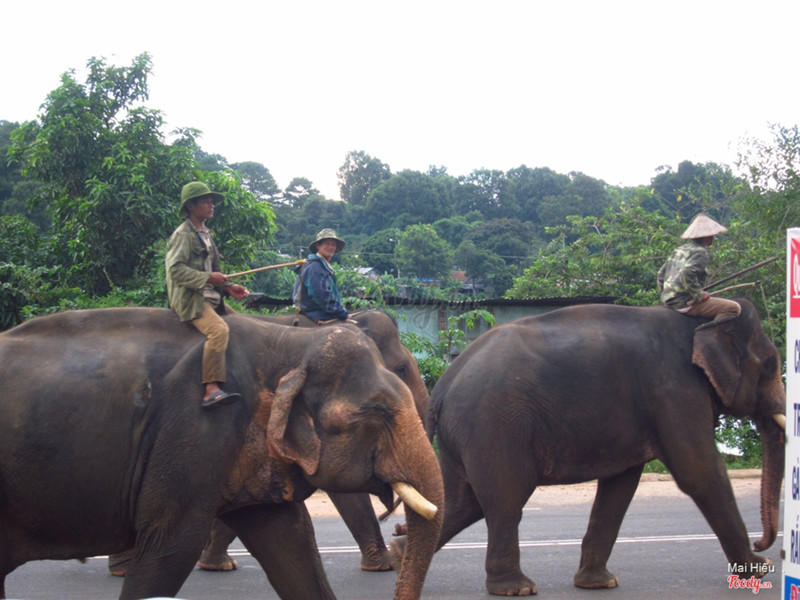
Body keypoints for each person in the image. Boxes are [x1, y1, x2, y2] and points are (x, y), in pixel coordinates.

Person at [166, 181, 250, 409]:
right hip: (192, 299)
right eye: (206, 201)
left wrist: (228, 287)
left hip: (211, 295)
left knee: (245, 323)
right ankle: (211, 389)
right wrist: (207, 279)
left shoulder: (206, 234)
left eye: (212, 201)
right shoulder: (183, 235)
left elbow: (215, 272)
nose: (211, 205)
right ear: (191, 206)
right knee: (219, 330)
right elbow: (175, 270)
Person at [657, 213, 741, 327]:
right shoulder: (701, 252)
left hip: (669, 301)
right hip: (684, 303)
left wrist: (665, 295)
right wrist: (699, 295)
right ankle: (706, 336)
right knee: (733, 308)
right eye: (712, 235)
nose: (713, 238)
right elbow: (687, 272)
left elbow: (660, 274)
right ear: (706, 237)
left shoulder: (679, 249)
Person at [293, 228, 349, 324]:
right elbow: (322, 296)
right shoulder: (315, 267)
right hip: (315, 312)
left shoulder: (323, 266)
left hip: (321, 311)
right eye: (327, 243)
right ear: (318, 246)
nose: (330, 247)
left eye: (333, 244)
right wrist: (341, 312)